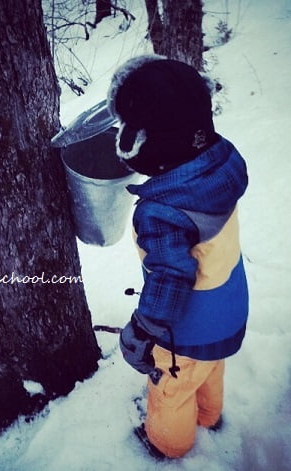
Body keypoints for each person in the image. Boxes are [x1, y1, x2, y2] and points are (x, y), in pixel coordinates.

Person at [107, 55, 249, 459]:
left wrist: (143, 330)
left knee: (172, 384)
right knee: (210, 366)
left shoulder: (161, 213)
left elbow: (170, 278)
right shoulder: (223, 163)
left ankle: (168, 444)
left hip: (186, 329)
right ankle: (209, 415)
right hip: (229, 306)